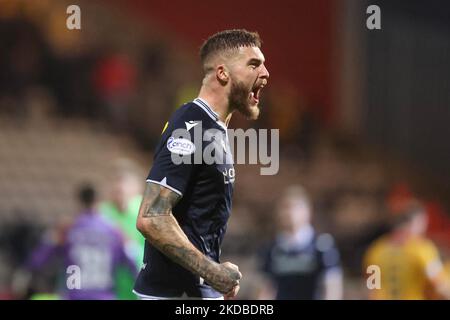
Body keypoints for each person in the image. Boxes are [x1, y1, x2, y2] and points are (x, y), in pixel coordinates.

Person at [133, 29, 269, 300]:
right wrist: (213, 273)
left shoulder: (213, 128)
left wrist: (213, 276)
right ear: (222, 73)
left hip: (194, 291)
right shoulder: (191, 126)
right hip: (171, 294)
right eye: (253, 64)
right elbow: (152, 217)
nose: (265, 73)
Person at [28, 184, 137, 299]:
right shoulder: (114, 231)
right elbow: (133, 265)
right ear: (99, 202)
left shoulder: (67, 229)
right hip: (104, 295)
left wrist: (50, 237)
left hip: (74, 295)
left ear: (79, 201)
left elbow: (37, 262)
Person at [259, 185, 343, 300]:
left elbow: (332, 285)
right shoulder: (271, 248)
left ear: (307, 211)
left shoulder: (322, 245)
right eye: (285, 207)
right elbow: (266, 288)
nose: (289, 213)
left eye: (295, 207)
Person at [363, 201, 450, 300]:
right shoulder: (422, 249)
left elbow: (372, 289)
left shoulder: (376, 250)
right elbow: (440, 285)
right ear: (417, 222)